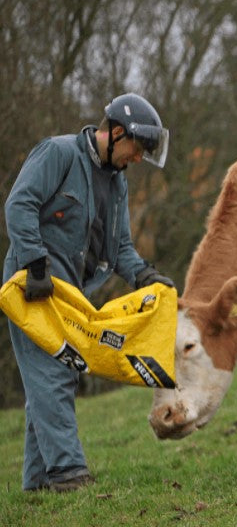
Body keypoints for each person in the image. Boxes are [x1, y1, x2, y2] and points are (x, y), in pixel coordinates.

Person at [3, 93, 176, 493]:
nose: (137, 158)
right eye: (137, 148)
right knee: (54, 373)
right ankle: (68, 472)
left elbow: (120, 250)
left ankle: (38, 481)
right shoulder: (58, 153)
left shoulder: (116, 185)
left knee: (51, 375)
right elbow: (19, 205)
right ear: (116, 133)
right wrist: (35, 263)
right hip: (31, 282)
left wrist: (146, 277)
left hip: (69, 294)